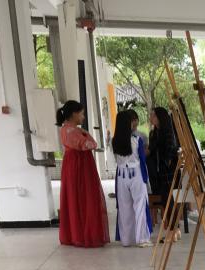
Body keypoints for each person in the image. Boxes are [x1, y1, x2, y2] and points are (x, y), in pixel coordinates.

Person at [56, 99, 109, 248]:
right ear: (74, 114)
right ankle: (83, 235)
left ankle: (75, 234)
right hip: (79, 167)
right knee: (84, 197)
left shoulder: (66, 129)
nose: (83, 117)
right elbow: (91, 144)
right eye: (81, 114)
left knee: (74, 198)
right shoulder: (73, 131)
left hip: (73, 165)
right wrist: (87, 134)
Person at [111, 110, 152, 247]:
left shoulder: (114, 141)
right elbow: (142, 159)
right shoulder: (136, 140)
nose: (133, 123)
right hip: (136, 174)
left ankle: (126, 239)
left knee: (124, 207)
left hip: (121, 175)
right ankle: (142, 239)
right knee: (140, 206)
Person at [148, 106, 179, 201]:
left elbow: (171, 150)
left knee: (170, 197)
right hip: (157, 171)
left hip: (168, 171)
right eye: (151, 115)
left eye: (153, 116)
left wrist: (167, 162)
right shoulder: (153, 133)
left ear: (160, 117)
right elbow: (152, 149)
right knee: (162, 197)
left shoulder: (169, 132)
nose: (151, 118)